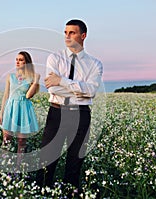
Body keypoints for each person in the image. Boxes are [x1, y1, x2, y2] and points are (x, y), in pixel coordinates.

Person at [36, 19, 103, 192]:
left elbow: (92, 91)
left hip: (81, 115)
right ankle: (41, 193)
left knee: (75, 161)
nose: (67, 36)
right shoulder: (55, 57)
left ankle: (69, 194)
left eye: (72, 32)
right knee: (47, 159)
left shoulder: (95, 64)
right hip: (57, 112)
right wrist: (78, 89)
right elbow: (54, 89)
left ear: (83, 35)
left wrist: (61, 81)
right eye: (65, 32)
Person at [0, 51, 40, 165]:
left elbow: (28, 96)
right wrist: (1, 113)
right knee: (6, 139)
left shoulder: (31, 78)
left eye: (21, 60)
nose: (17, 62)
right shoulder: (10, 76)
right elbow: (6, 95)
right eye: (16, 59)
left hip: (24, 110)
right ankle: (3, 165)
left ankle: (18, 168)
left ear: (26, 63)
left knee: (21, 141)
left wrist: (36, 81)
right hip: (10, 108)